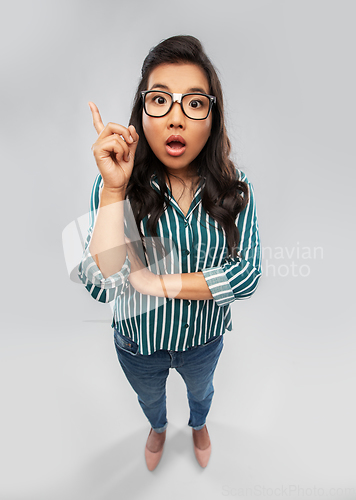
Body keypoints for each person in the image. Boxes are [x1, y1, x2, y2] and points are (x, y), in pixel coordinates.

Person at [78, 35, 262, 471]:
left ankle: (199, 423)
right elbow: (101, 283)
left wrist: (159, 283)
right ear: (141, 115)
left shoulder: (237, 190)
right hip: (138, 343)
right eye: (160, 100)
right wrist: (114, 189)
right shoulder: (113, 190)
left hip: (203, 340)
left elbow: (248, 274)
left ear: (212, 118)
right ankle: (158, 427)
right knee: (149, 398)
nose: (175, 119)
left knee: (202, 393)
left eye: (194, 104)